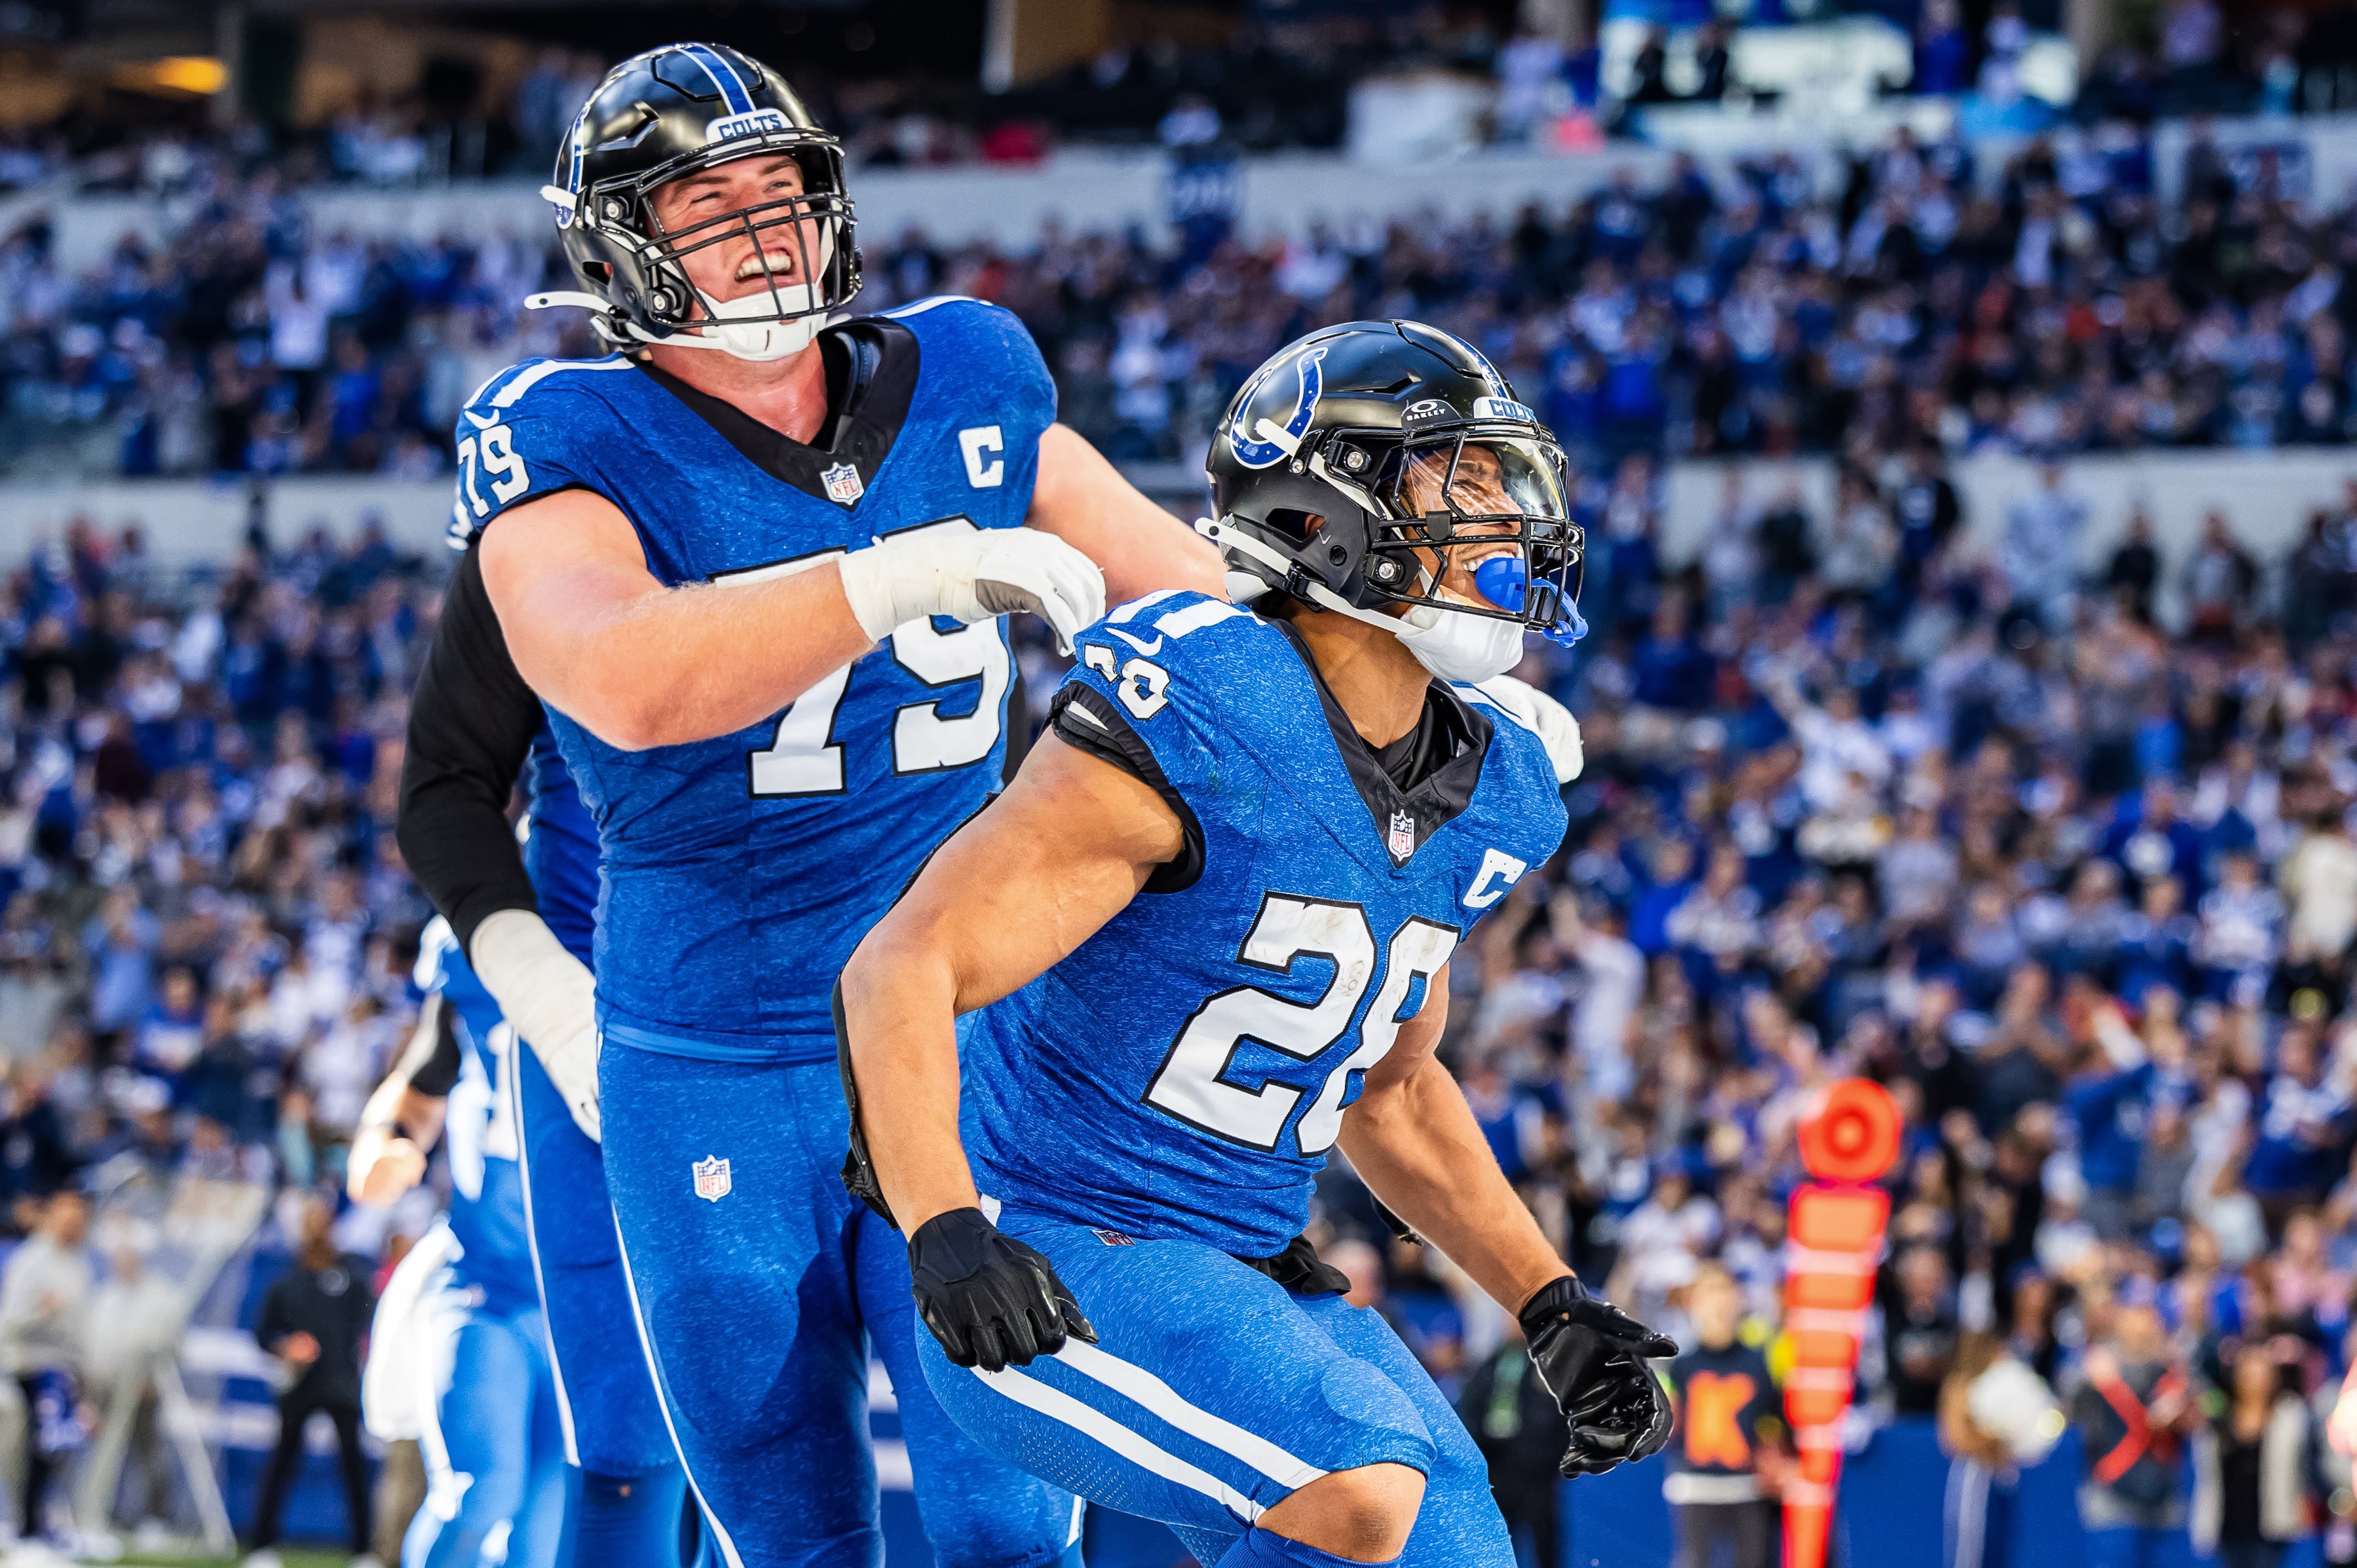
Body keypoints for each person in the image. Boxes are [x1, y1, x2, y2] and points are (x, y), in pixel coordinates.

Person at [464, 41, 1226, 1566]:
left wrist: (1410, 696)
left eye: (779, 192)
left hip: (962, 1033)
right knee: (794, 1537)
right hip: (713, 1056)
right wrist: (891, 577)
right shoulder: (561, 432)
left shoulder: (970, 376)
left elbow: (1200, 610)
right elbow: (622, 678)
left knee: (1011, 1527)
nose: (759, 233)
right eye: (704, 201)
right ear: (622, 240)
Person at [839, 320, 1667, 1565]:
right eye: (1461, 479)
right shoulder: (1212, 706)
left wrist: (1549, 1301)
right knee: (1363, 1480)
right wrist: (944, 1223)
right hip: (1050, 1248)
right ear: (1324, 509)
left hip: (1244, 1266)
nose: (1504, 515)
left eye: (1504, 479)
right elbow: (904, 963)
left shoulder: (1492, 781)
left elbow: (1387, 1087)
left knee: (1452, 1548)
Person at [348, 922, 568, 1568]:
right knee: (481, 1491)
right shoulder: (482, 933)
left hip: (586, 1303)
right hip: (483, 1280)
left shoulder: (630, 927)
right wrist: (384, 1141)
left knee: (545, 1531)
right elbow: (421, 1078)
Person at [246, 1195, 377, 1568]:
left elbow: (369, 1325)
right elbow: (262, 1335)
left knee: (353, 1466)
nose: (318, 1229)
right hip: (299, 1388)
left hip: (342, 1387)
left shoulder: (352, 1278)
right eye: (311, 1222)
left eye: (323, 1221)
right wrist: (287, 1348)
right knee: (282, 1465)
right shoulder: (286, 1283)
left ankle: (363, 1551)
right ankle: (262, 1547)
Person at [1663, 1263, 1781, 1568]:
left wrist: (1777, 1458)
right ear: (1694, 1306)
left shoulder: (1759, 1362)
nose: (1718, 1304)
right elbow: (1670, 1427)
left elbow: (1776, 1422)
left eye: (1724, 1294)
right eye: (1709, 1295)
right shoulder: (1681, 1365)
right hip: (1696, 1485)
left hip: (1748, 1486)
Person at [2069, 1284, 2195, 1568]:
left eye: (2149, 1313)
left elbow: (2210, 1409)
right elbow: (2069, 1409)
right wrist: (2092, 1382)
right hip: (2111, 1501)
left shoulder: (2175, 1368)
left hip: (2163, 1502)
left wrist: (2186, 1405)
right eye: (2135, 1313)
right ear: (2120, 1317)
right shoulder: (2094, 1363)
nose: (2143, 1322)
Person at [0, 1189, 91, 1547]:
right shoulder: (32, 1259)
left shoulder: (78, 1263)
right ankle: (25, 1526)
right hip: (29, 1366)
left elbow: (81, 1327)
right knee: (34, 1449)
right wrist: (42, 1310)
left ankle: (41, 1522)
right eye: (68, 1215)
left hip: (64, 1370)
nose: (75, 1223)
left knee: (59, 1449)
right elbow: (8, 1321)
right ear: (52, 1215)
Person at [2192, 1342, 2314, 1568]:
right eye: (2249, 1375)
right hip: (2229, 1522)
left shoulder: (2290, 1415)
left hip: (2272, 1521)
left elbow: (2305, 1463)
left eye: (2262, 1375)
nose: (2256, 1383)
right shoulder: (2219, 1418)